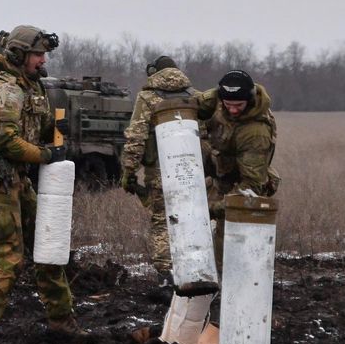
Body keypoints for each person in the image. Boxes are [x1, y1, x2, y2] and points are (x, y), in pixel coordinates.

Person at [0, 25, 83, 341]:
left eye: (43, 55)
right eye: (37, 54)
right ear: (19, 54)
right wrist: (46, 154)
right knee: (7, 261)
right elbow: (7, 143)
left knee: (47, 248)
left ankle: (62, 323)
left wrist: (55, 130)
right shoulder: (6, 91)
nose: (42, 60)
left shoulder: (31, 87)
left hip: (16, 180)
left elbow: (29, 133)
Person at [118, 55, 197, 281]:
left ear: (153, 72)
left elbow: (136, 137)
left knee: (162, 220)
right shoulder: (195, 96)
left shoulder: (148, 97)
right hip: (193, 171)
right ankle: (194, 270)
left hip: (161, 171)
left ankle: (166, 275)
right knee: (193, 218)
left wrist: (129, 171)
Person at [194, 69, 280, 262]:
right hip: (219, 172)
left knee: (228, 248)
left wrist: (214, 208)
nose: (232, 110)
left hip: (243, 184)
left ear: (249, 100)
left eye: (238, 105)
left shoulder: (256, 132)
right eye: (228, 104)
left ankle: (228, 287)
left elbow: (251, 185)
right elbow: (192, 103)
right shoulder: (216, 98)